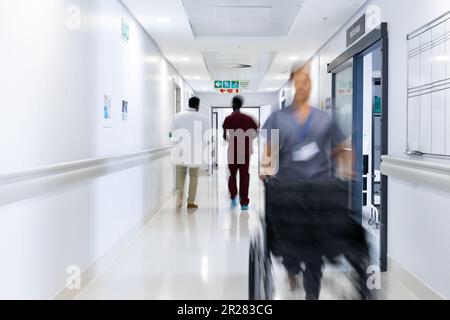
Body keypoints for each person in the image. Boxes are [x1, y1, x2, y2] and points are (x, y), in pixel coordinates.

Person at [260, 66, 354, 300]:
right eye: (300, 81)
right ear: (293, 83)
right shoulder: (277, 118)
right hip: (289, 190)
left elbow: (341, 147)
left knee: (314, 248)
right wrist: (265, 169)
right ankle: (291, 269)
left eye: (308, 81)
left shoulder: (324, 118)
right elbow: (269, 151)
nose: (304, 85)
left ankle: (312, 294)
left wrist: (346, 168)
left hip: (319, 192)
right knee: (291, 243)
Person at [223, 96, 259, 211]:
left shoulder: (228, 118)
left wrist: (231, 141)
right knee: (244, 176)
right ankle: (244, 203)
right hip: (245, 151)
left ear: (233, 104)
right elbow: (256, 132)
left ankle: (233, 198)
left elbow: (224, 136)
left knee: (232, 175)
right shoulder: (248, 118)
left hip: (233, 151)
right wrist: (249, 139)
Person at [172, 97, 209, 210]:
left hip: (180, 150)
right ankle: (190, 202)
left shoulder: (178, 116)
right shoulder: (202, 118)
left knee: (179, 175)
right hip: (195, 152)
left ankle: (179, 199)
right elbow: (207, 135)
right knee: (194, 177)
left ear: (188, 104)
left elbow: (171, 133)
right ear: (197, 105)